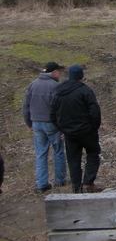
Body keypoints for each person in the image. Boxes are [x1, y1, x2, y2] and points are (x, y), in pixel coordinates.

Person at [50, 65, 104, 193]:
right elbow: (95, 111)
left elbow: (52, 114)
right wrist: (94, 127)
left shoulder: (58, 91)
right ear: (81, 76)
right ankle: (88, 182)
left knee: (73, 159)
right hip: (86, 131)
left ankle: (76, 186)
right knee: (93, 153)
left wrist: (62, 129)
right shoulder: (85, 91)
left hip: (69, 133)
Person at [22, 61, 68, 192]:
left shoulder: (33, 85)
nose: (60, 74)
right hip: (52, 124)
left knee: (41, 153)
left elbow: (25, 106)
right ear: (54, 72)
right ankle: (60, 180)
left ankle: (41, 184)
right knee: (58, 151)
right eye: (59, 71)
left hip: (36, 123)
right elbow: (60, 108)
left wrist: (29, 123)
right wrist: (63, 126)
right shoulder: (55, 86)